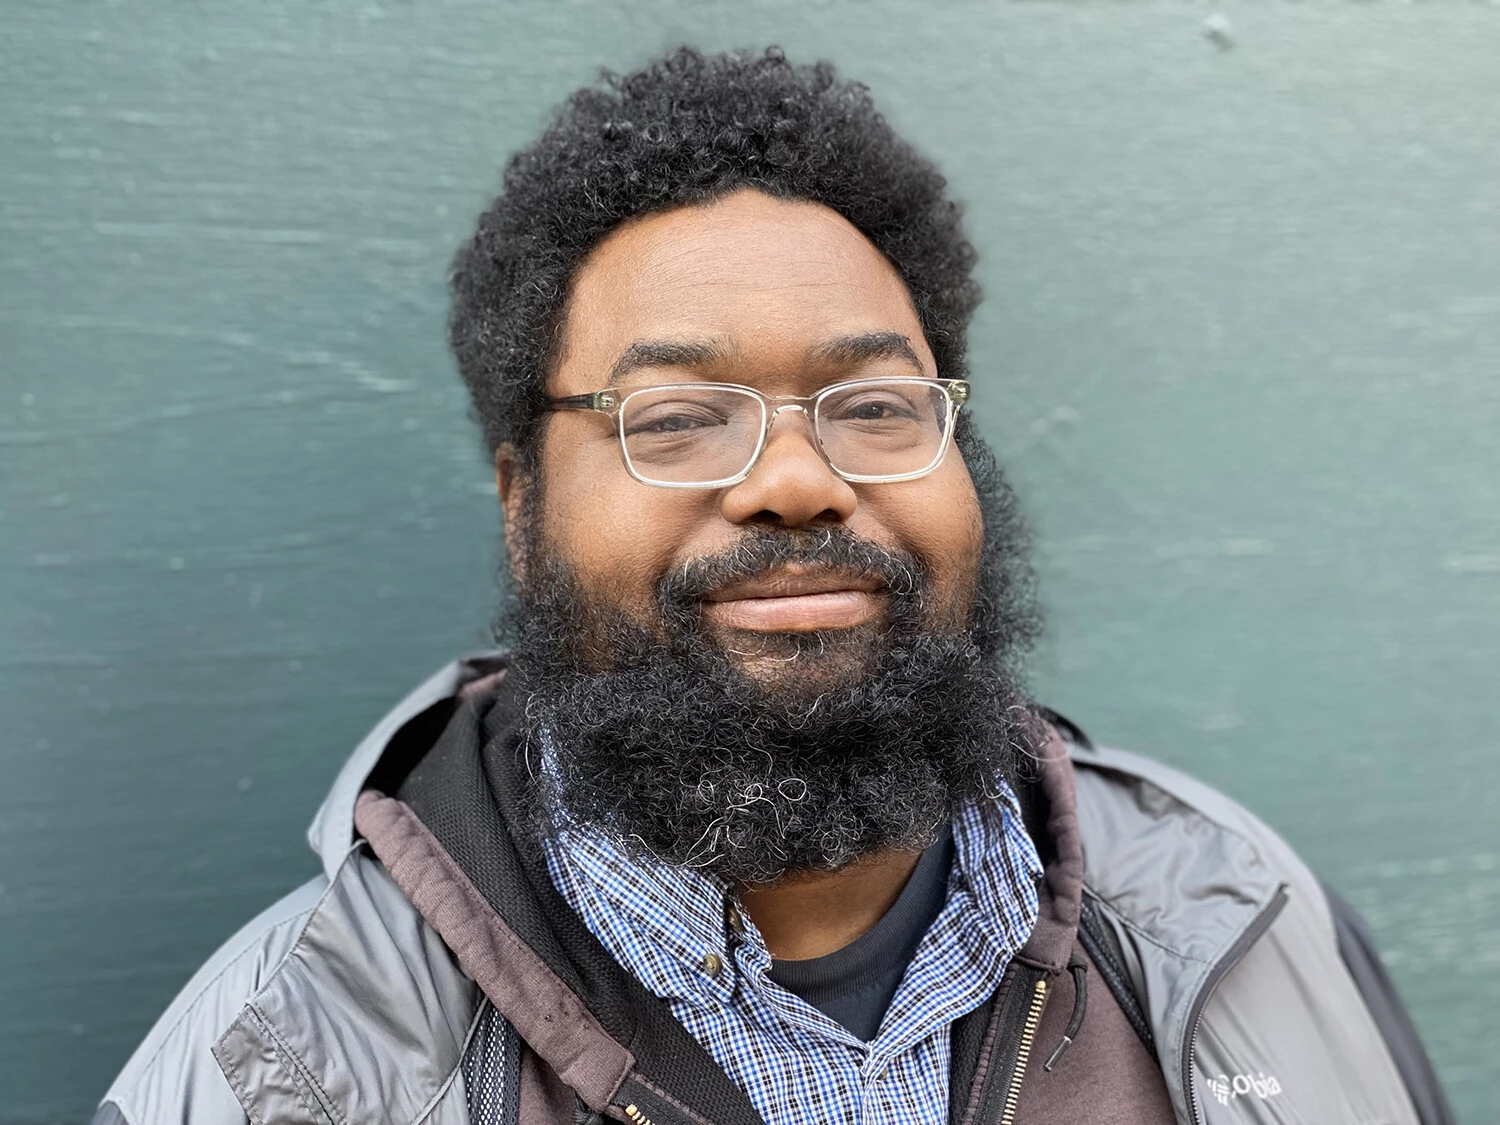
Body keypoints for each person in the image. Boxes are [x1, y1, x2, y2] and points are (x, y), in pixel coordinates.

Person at [95, 47, 1452, 1125]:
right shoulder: (284, 1065)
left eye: (873, 403)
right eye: (677, 417)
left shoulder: (1239, 922)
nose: (797, 482)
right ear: (522, 507)